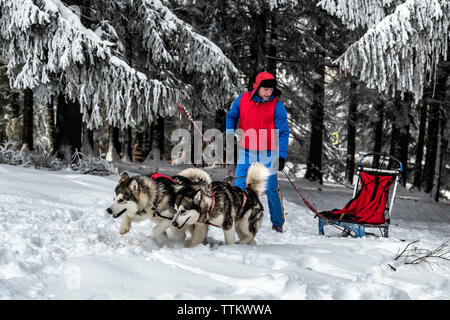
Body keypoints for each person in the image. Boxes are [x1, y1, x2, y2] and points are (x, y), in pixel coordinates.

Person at [226, 71, 289, 233]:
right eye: (265, 89)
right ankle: (235, 219)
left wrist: (281, 155)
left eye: (271, 90)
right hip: (246, 150)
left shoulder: (277, 106)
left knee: (270, 187)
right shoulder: (242, 100)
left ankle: (277, 222)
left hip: (269, 152)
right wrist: (229, 133)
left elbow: (283, 133)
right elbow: (231, 117)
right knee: (239, 186)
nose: (269, 93)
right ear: (257, 87)